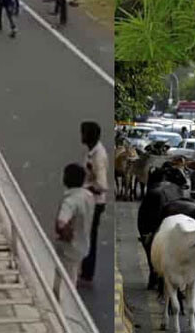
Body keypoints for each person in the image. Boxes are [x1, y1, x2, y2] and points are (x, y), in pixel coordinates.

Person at [53, 163, 95, 292]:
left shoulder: (70, 201)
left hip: (69, 247)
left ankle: (63, 303)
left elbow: (61, 222)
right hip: (83, 244)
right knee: (73, 274)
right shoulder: (88, 196)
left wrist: (64, 234)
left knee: (65, 279)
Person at [79, 121, 107, 284]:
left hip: (94, 202)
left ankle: (87, 271)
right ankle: (86, 269)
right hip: (91, 201)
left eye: (83, 133)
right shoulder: (92, 152)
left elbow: (102, 185)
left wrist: (86, 188)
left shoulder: (98, 157)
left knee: (88, 236)